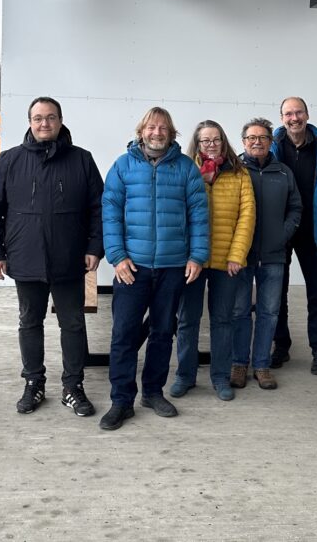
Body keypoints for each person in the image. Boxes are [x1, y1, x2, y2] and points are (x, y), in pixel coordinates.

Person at [0, 96, 104, 418]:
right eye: (38, 118)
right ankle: (33, 383)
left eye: (50, 118)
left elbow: (98, 210)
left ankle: (73, 387)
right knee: (29, 322)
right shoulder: (11, 161)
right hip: (26, 259)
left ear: (60, 121)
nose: (44, 124)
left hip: (70, 260)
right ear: (30, 122)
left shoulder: (81, 160)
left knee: (73, 324)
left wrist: (94, 248)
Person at [100, 107, 209, 430]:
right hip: (132, 267)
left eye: (163, 128)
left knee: (163, 332)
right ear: (141, 131)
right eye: (151, 127)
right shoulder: (122, 167)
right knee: (123, 334)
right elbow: (110, 213)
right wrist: (117, 256)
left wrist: (197, 256)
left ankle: (152, 392)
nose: (157, 133)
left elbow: (199, 216)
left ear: (171, 133)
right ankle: (121, 400)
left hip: (173, 266)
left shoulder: (187, 169)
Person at [170, 120, 255, 401]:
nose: (211, 145)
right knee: (187, 320)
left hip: (225, 260)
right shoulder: (185, 170)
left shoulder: (239, 173)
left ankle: (220, 376)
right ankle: (185, 375)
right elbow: (178, 214)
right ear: (197, 142)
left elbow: (247, 217)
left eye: (216, 139)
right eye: (205, 140)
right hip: (192, 260)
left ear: (223, 141)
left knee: (222, 321)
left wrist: (237, 255)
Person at [270, 97, 317, 374]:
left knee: (316, 293)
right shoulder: (274, 147)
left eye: (298, 112)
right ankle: (281, 346)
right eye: (288, 113)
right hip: (281, 231)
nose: (294, 118)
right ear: (282, 118)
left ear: (307, 114)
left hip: (312, 232)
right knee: (278, 291)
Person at [230, 118, 301, 390]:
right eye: (251, 138)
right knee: (239, 311)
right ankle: (239, 363)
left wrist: (282, 235)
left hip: (273, 255)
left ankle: (261, 365)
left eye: (262, 137)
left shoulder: (283, 172)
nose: (257, 142)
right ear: (243, 141)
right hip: (240, 256)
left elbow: (296, 208)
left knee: (269, 312)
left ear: (271, 142)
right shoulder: (234, 171)